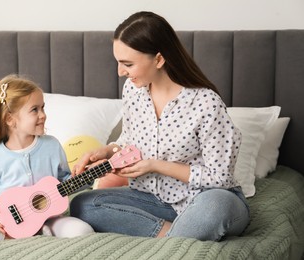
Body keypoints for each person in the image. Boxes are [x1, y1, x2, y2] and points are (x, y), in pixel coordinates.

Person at [70, 11, 250, 241]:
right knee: (84, 204)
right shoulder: (133, 91)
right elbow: (130, 140)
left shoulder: (206, 103)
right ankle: (174, 235)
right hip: (155, 200)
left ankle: (177, 236)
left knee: (216, 205)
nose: (120, 72)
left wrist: (156, 165)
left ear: (158, 59)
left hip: (206, 197)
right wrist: (106, 151)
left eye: (128, 64)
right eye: (118, 62)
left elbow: (220, 177)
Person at [0, 74, 94, 240]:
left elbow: (64, 182)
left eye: (43, 108)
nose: (43, 115)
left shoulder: (52, 146)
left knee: (83, 231)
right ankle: (11, 236)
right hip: (8, 224)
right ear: (10, 119)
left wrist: (87, 177)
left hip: (49, 220)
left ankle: (34, 233)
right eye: (35, 109)